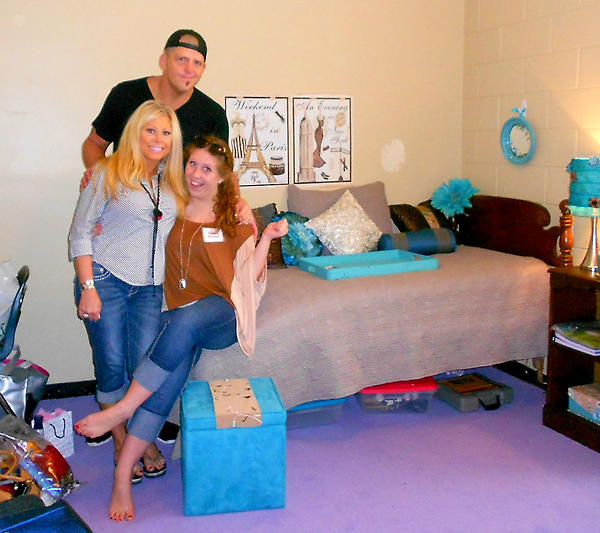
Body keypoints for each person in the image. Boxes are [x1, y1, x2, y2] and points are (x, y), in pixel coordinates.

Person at [75, 135, 288, 522]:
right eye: (192, 164)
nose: (196, 174)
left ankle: (122, 408)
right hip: (179, 315)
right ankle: (123, 475)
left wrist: (266, 238)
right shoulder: (171, 203)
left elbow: (249, 275)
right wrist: (103, 217)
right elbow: (135, 220)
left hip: (222, 314)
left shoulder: (235, 216)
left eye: (208, 169)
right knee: (169, 376)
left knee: (187, 319)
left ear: (222, 177)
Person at [68, 100, 188, 482]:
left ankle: (139, 437)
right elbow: (80, 233)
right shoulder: (108, 172)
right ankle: (122, 441)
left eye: (166, 132)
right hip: (106, 279)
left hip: (150, 289)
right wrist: (88, 288)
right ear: (136, 132)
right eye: (151, 129)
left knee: (142, 368)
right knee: (111, 362)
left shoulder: (172, 181)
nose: (158, 138)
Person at [82, 29, 228, 170]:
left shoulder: (214, 116)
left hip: (180, 189)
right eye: (182, 59)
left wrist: (231, 189)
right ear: (164, 61)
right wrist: (101, 178)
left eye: (197, 63)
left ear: (203, 69)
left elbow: (222, 170)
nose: (189, 69)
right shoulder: (125, 94)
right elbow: (95, 144)